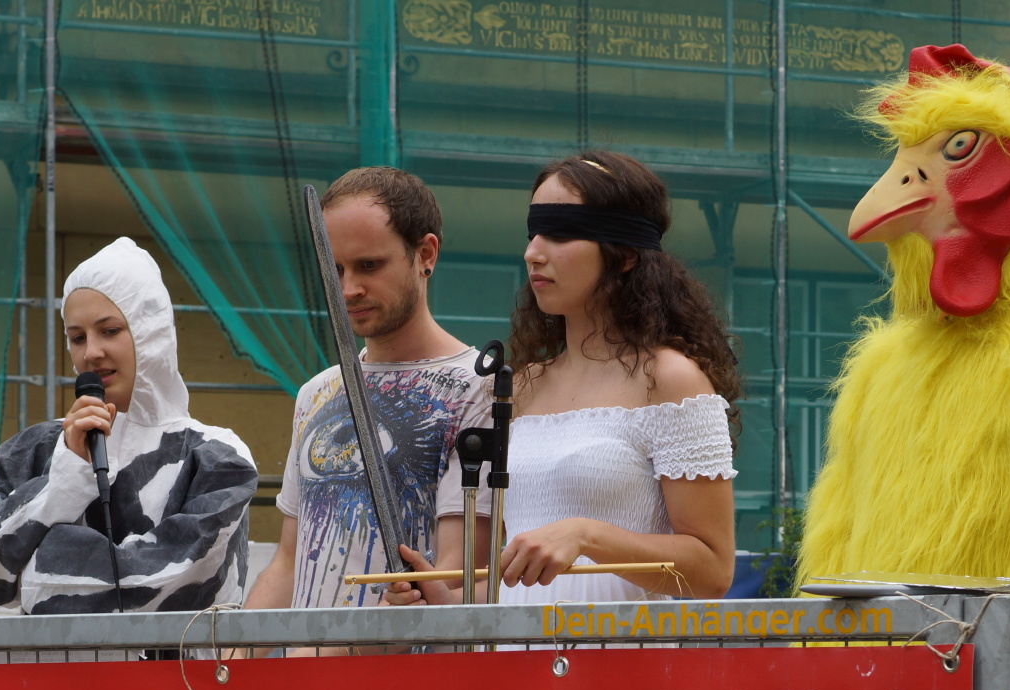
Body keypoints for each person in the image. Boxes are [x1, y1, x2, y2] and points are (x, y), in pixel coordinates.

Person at [386, 150, 738, 608]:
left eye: (560, 234)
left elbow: (713, 571)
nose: (533, 252)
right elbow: (518, 576)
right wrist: (444, 599)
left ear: (626, 253)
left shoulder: (671, 380)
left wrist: (588, 535)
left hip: (619, 666)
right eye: (534, 232)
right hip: (516, 664)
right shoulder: (522, 386)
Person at [0, 237, 257, 614]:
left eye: (109, 330)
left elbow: (176, 584)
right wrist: (63, 483)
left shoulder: (218, 456)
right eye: (77, 337)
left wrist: (35, 572)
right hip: (55, 673)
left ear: (151, 333)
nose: (90, 352)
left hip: (180, 675)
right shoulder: (37, 448)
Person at [243, 166, 492, 614]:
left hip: (407, 676)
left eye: (369, 266)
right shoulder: (315, 392)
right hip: (309, 673)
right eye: (334, 269)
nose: (349, 289)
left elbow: (461, 571)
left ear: (425, 254)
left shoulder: (479, 387)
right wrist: (237, 659)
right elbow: (288, 561)